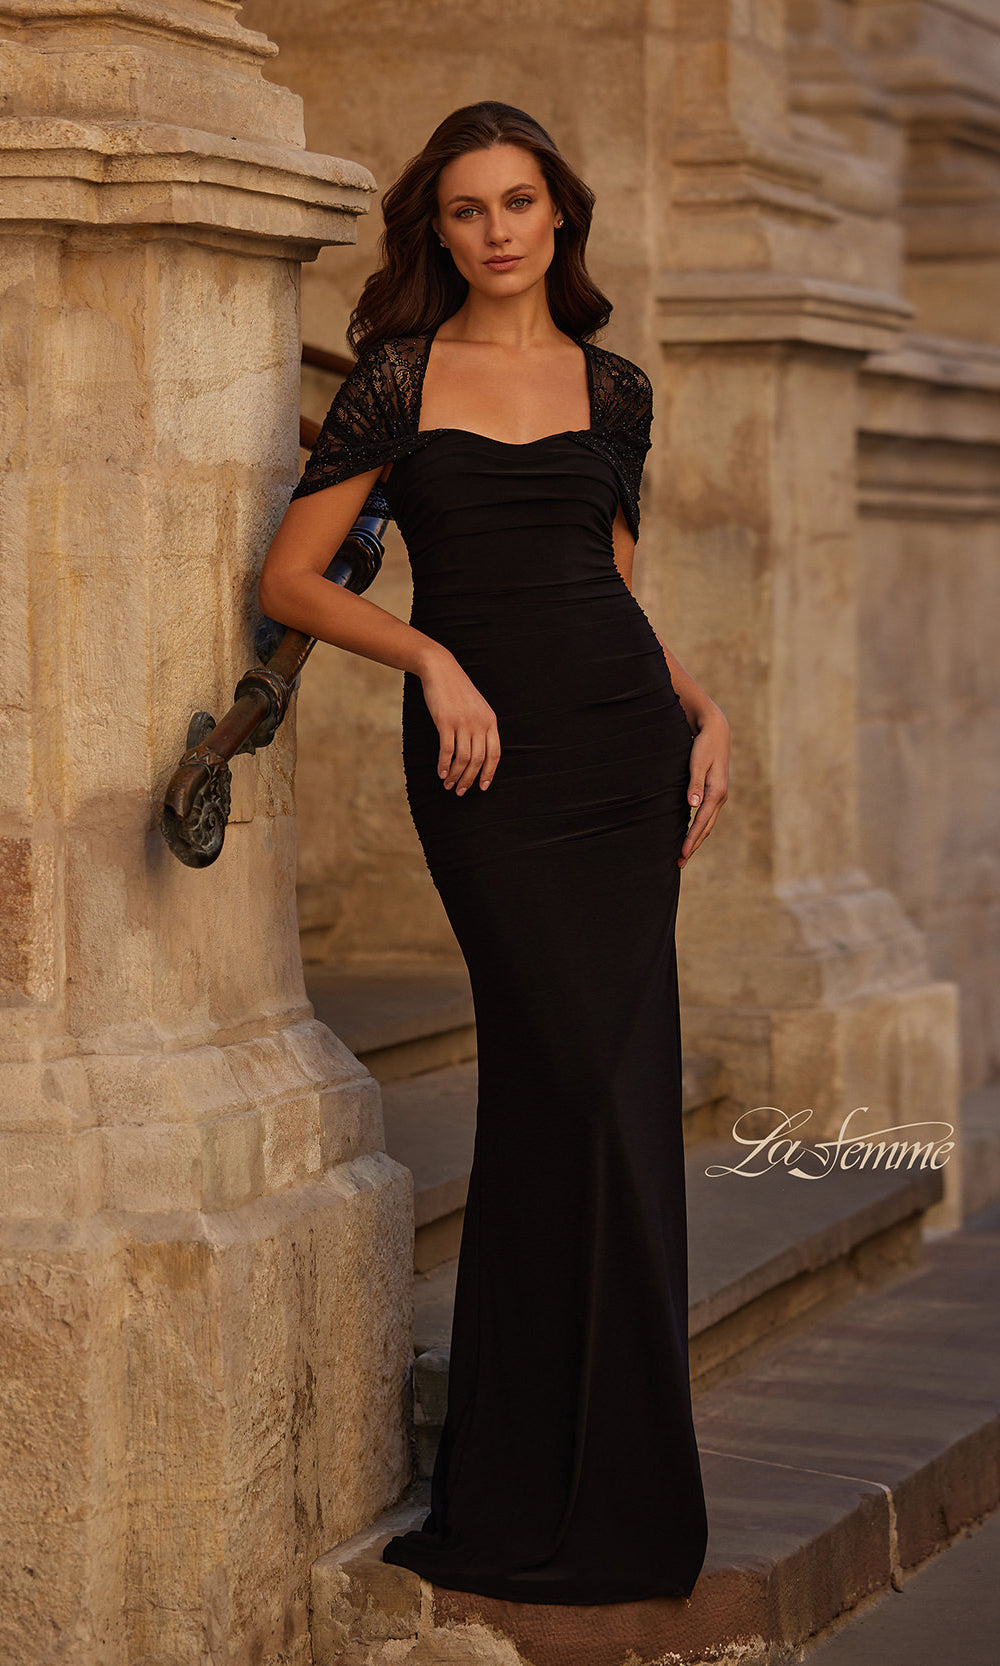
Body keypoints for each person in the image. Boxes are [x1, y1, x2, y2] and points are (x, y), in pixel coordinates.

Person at [259, 100, 730, 1606]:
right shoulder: (398, 378)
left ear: (557, 214)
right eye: (467, 209)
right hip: (487, 772)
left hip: (622, 754)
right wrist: (432, 659)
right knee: (562, 1087)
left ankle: (617, 1504)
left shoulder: (616, 388)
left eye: (518, 201)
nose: (497, 230)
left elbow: (614, 584)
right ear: (439, 231)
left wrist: (700, 705)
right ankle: (531, 1490)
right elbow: (291, 578)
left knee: (610, 1105)